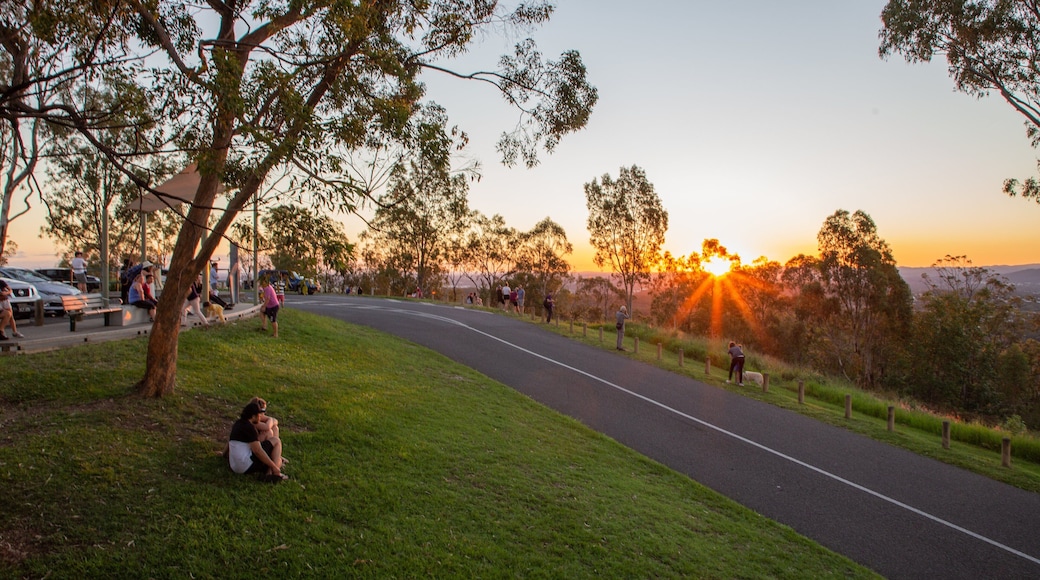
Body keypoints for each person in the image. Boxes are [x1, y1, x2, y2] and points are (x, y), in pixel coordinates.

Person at [227, 401, 287, 482]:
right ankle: (271, 474)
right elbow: (257, 451)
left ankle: (271, 471)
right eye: (259, 415)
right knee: (276, 441)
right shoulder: (249, 428)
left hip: (234, 465)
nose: (260, 418)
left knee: (278, 460)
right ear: (253, 416)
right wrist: (274, 466)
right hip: (245, 465)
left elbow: (230, 443)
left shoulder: (238, 424)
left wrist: (223, 454)